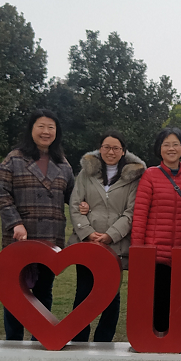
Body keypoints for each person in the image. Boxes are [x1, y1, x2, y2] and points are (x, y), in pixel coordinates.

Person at [0, 109, 75, 341]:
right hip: (20, 238)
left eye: (51, 127)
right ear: (31, 129)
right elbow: (2, 194)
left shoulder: (63, 163)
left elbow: (73, 196)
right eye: (41, 126)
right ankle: (13, 340)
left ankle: (40, 338)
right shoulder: (14, 159)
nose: (46, 131)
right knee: (15, 292)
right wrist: (15, 223)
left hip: (51, 238)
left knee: (43, 291)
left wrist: (84, 204)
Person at [67, 131, 146, 342]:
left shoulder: (134, 178)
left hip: (115, 245)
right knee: (83, 291)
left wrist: (111, 235)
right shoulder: (85, 174)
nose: (111, 152)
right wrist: (87, 232)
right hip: (87, 244)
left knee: (111, 294)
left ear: (123, 152)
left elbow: (132, 212)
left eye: (115, 148)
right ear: (100, 149)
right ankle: (79, 338)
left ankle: (104, 340)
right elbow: (75, 205)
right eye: (106, 147)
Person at [130, 127, 181, 333]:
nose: (171, 148)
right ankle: (156, 339)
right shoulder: (150, 175)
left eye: (175, 144)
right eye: (166, 144)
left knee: (177, 302)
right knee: (157, 299)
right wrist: (138, 250)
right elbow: (140, 214)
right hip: (155, 251)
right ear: (159, 148)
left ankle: (173, 340)